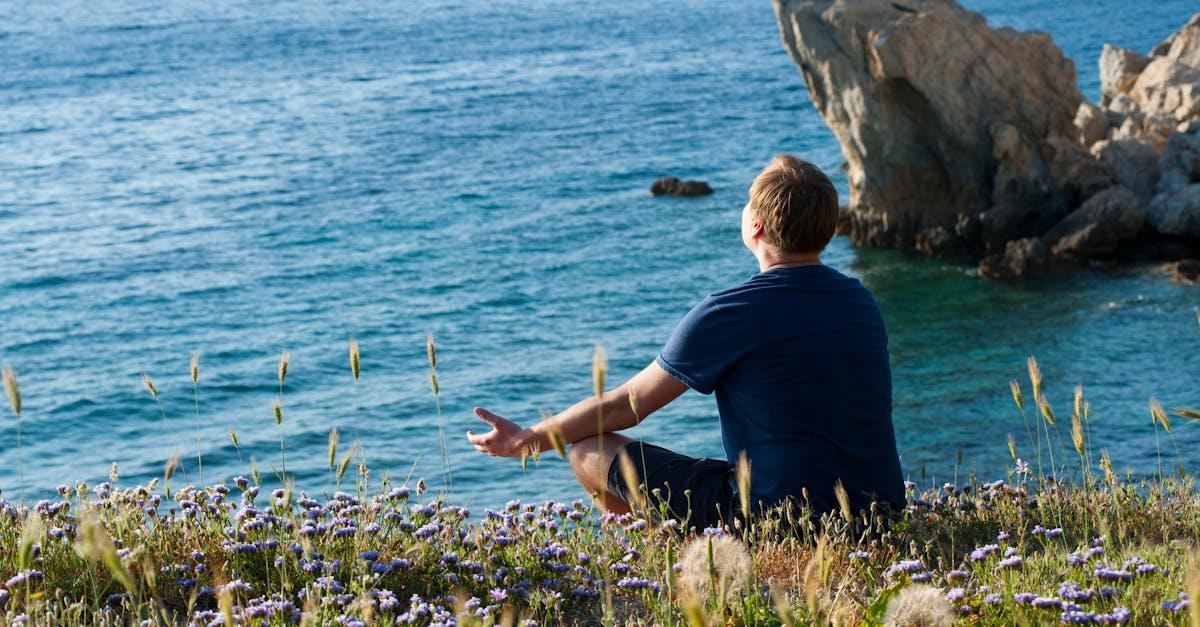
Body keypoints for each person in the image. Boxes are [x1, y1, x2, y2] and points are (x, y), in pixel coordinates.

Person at [466, 155, 905, 529]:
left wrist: (526, 439)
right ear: (828, 229)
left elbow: (626, 406)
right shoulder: (860, 301)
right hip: (879, 514)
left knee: (588, 450)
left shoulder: (731, 312)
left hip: (778, 518)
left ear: (755, 226)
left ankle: (660, 562)